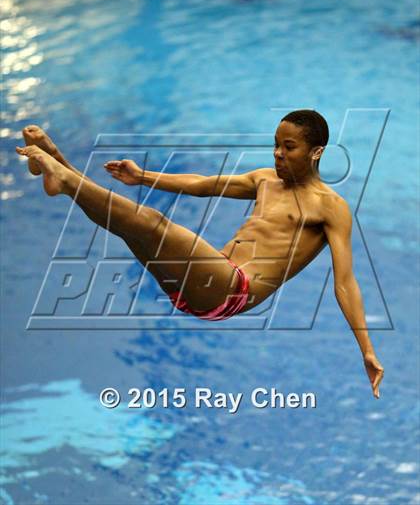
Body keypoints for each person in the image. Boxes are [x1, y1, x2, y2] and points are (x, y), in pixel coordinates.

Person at [16, 109, 384, 397]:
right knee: (129, 228)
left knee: (153, 222)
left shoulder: (329, 206)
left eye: (289, 148)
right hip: (198, 284)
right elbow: (205, 185)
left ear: (316, 152)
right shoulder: (265, 181)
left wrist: (365, 348)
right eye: (276, 144)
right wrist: (143, 176)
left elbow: (345, 282)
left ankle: (63, 177)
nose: (278, 154)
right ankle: (60, 167)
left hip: (232, 290)